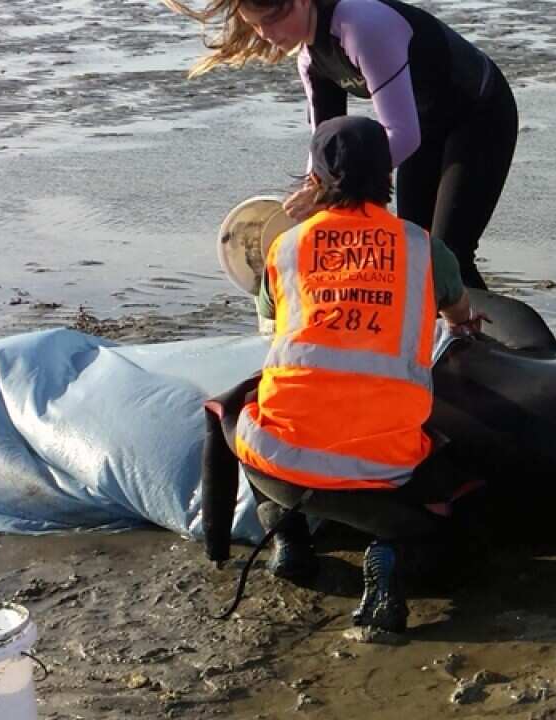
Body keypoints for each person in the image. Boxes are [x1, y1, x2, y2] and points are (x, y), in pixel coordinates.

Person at [233, 115, 481, 633]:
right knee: (438, 493)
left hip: (279, 462)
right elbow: (458, 317)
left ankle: (288, 537)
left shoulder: (285, 248)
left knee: (239, 413)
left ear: (315, 182)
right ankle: (385, 556)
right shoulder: (423, 249)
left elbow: (271, 328)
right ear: (388, 177)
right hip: (382, 472)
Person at [163, 0, 518, 290]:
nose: (266, 35)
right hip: (425, 125)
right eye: (256, 26)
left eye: (272, 20)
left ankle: (485, 353)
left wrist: (334, 192)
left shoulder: (361, 26)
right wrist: (305, 203)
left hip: (479, 113)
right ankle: (439, 351)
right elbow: (324, 152)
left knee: (449, 254)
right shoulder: (310, 59)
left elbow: (403, 136)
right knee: (415, 252)